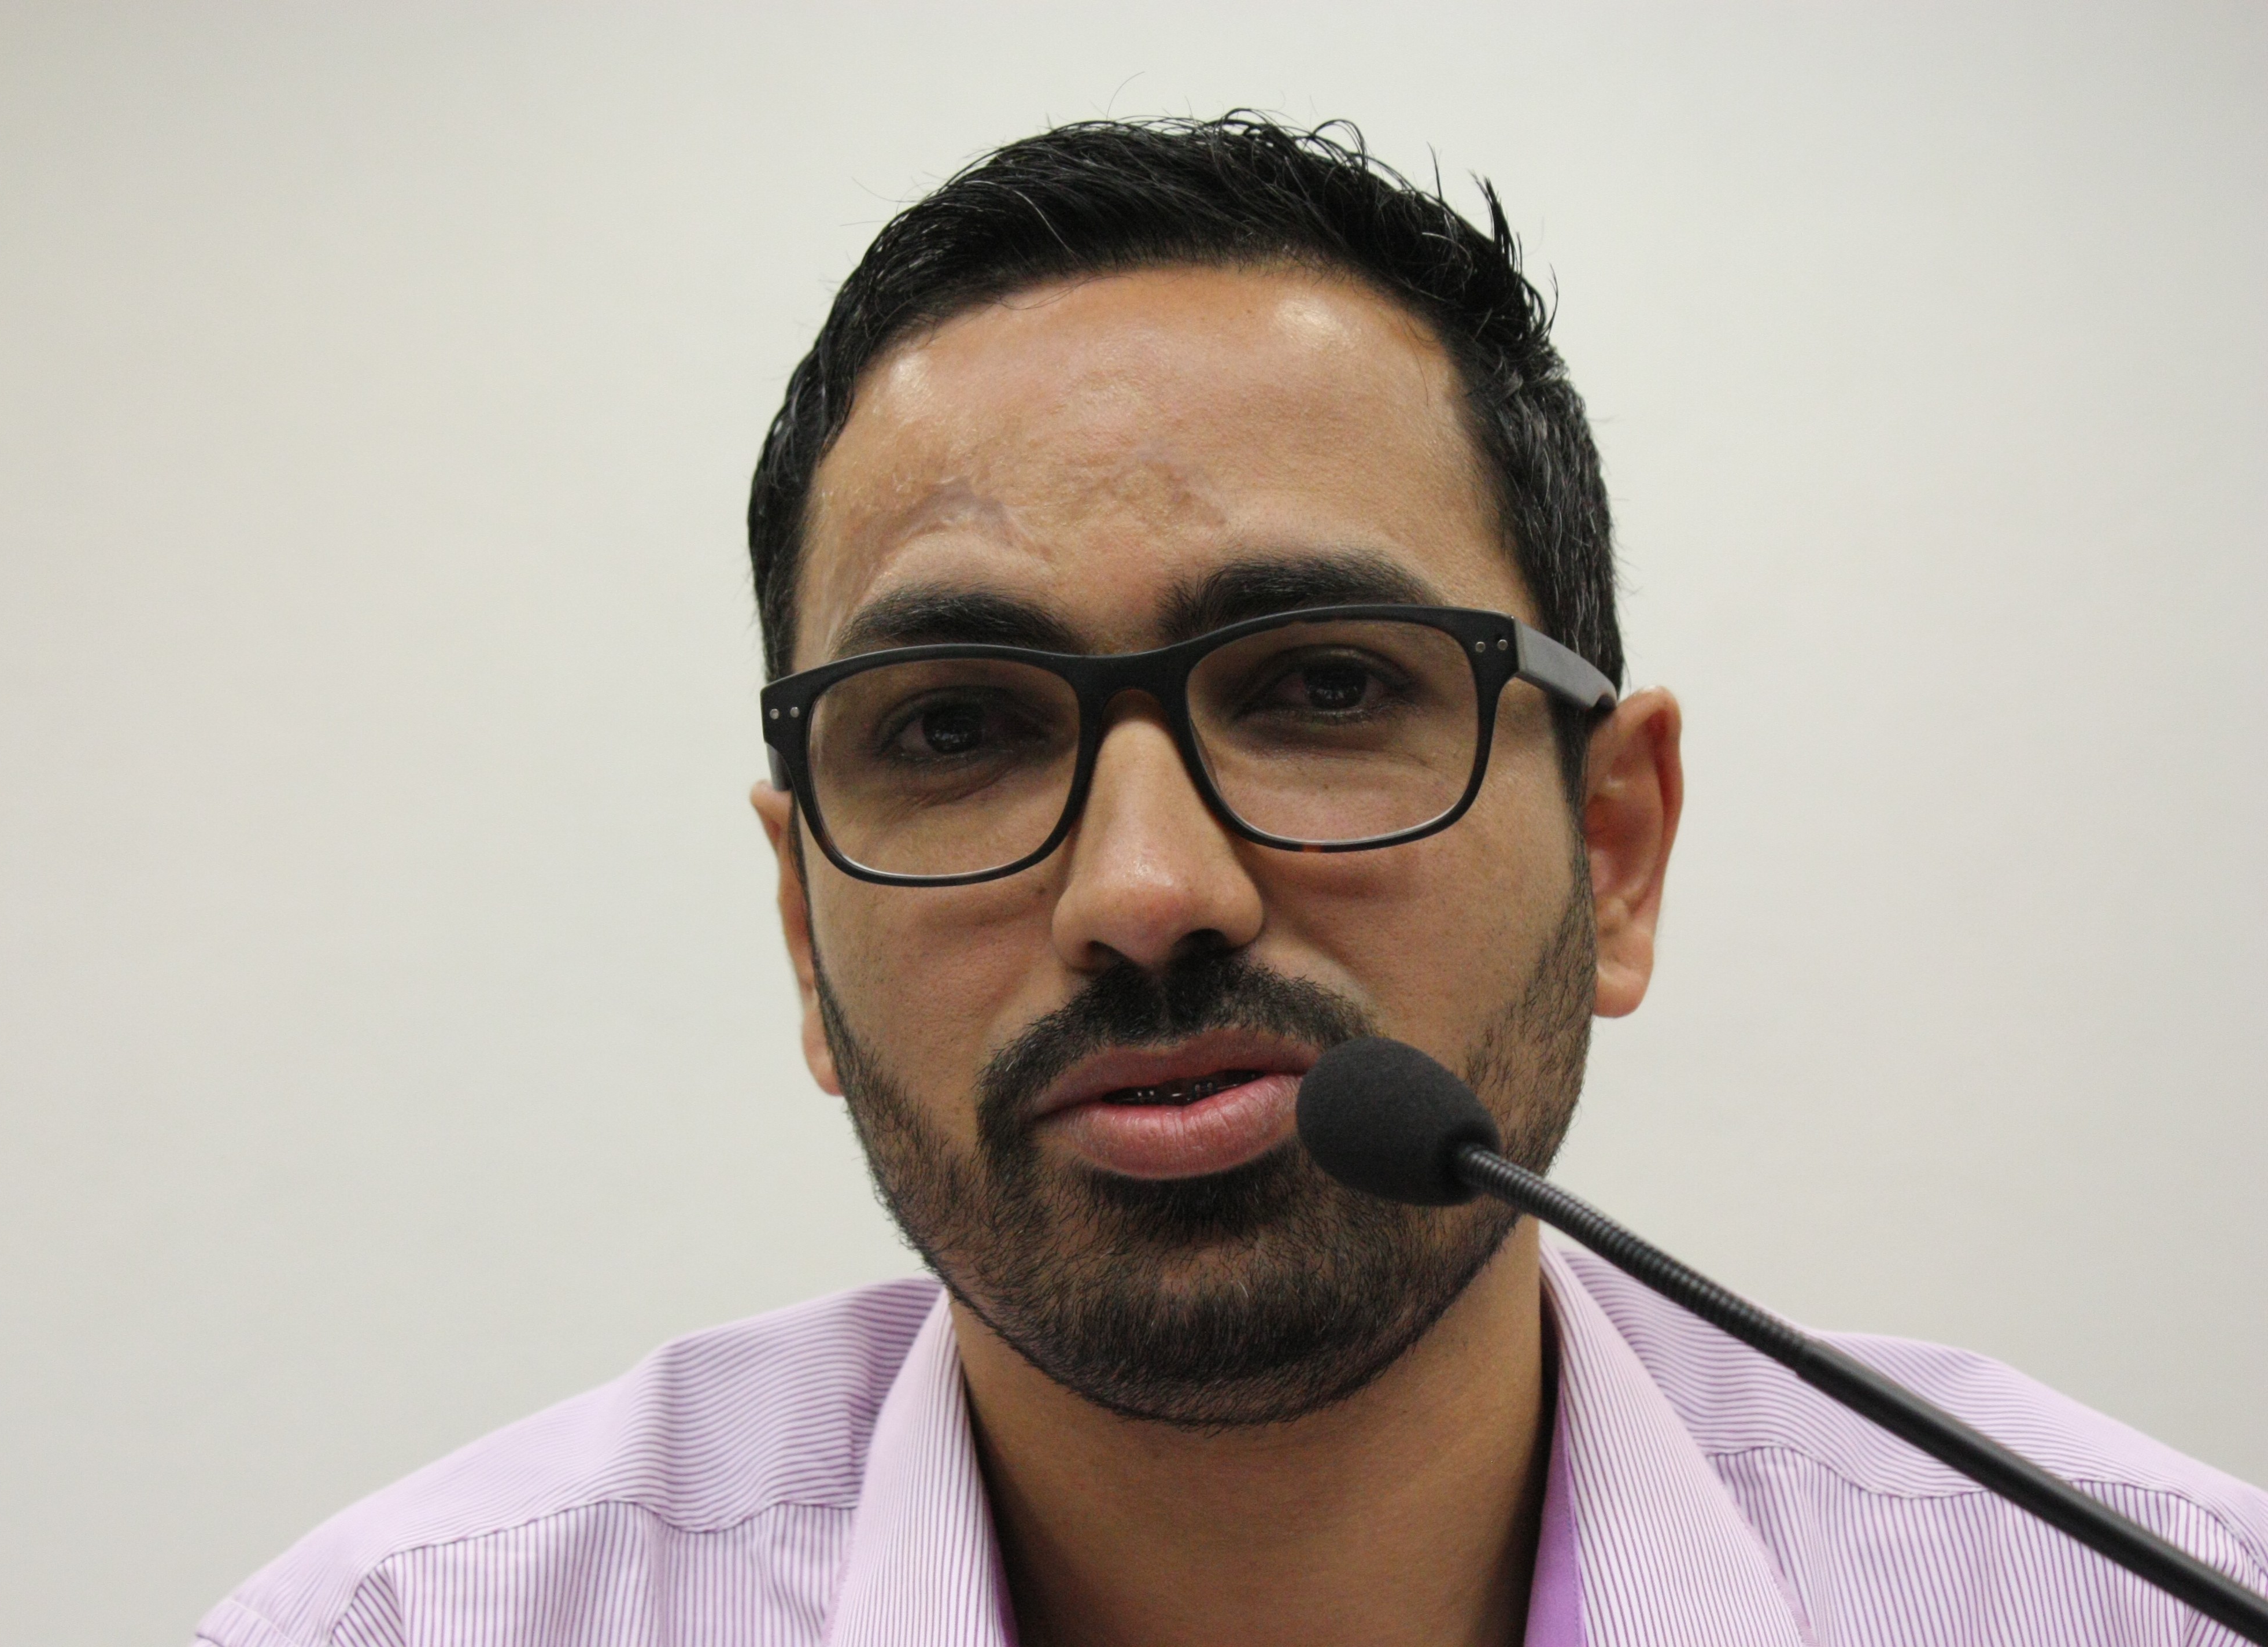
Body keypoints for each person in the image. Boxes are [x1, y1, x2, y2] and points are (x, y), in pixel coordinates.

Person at [196, 115, 2268, 1647]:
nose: (1148, 890)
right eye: (954, 727)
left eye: (1323, 686)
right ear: (803, 938)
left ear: (1616, 847)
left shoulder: (2135, 1605)